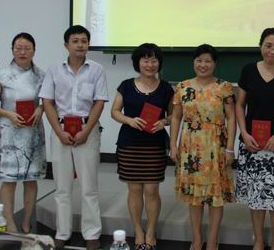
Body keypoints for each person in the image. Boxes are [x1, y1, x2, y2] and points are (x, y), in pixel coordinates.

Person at [39, 25, 108, 250]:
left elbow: (99, 102)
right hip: (60, 129)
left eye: (84, 41)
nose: (80, 45)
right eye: (75, 41)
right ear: (66, 44)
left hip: (87, 129)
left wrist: (86, 131)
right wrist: (59, 132)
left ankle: (92, 234)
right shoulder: (54, 70)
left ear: (88, 44)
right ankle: (62, 232)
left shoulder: (97, 70)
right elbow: (47, 102)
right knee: (62, 186)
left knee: (89, 186)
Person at [234, 28, 274, 250]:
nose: (273, 50)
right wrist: (244, 133)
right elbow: (239, 105)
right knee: (256, 197)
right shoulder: (248, 71)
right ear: (260, 45)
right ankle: (259, 242)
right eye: (269, 45)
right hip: (252, 144)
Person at [169, 44, 236, 250]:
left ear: (215, 63)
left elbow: (231, 118)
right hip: (191, 147)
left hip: (216, 146)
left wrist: (230, 148)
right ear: (194, 62)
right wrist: (173, 145)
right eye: (199, 60)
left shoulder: (224, 87)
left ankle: (213, 241)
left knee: (216, 197)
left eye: (208, 61)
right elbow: (176, 117)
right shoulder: (182, 87)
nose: (203, 65)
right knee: (195, 197)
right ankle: (197, 240)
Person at [110, 43, 174, 250]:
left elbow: (174, 115)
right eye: (145, 60)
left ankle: (151, 231)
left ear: (159, 63)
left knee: (152, 190)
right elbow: (115, 111)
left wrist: (164, 121)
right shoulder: (126, 85)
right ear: (137, 62)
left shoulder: (166, 88)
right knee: (135, 189)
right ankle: (138, 230)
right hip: (130, 144)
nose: (150, 64)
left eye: (154, 60)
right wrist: (129, 120)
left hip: (154, 145)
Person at [0, 32, 46, 234]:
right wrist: (8, 114)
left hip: (32, 133)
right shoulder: (1, 75)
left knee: (31, 179)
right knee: (9, 180)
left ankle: (27, 221)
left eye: (27, 48)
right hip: (9, 133)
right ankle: (9, 222)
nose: (22, 52)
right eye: (18, 48)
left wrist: (40, 109)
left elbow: (49, 101)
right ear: (12, 50)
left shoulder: (41, 75)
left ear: (34, 51)